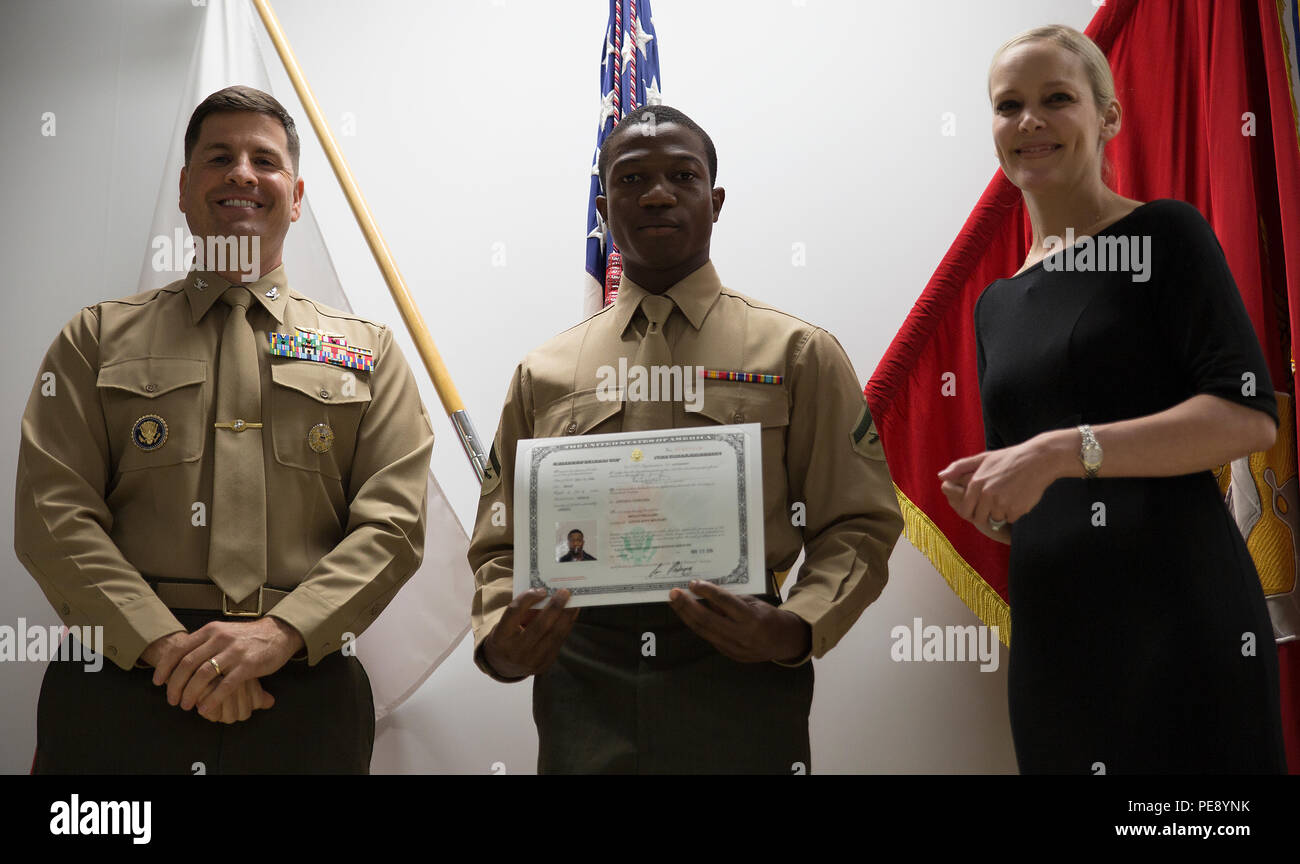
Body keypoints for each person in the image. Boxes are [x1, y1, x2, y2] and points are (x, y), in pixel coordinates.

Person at [467, 105, 904, 773]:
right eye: (633, 178)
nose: (659, 193)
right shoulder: (544, 373)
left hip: (738, 659)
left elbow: (861, 521)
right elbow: (499, 545)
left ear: (715, 200)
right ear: (605, 203)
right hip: (584, 670)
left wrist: (795, 627)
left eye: (682, 175)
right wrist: (502, 640)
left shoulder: (797, 353)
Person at [15, 85, 435, 773]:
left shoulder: (371, 354)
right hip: (123, 680)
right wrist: (163, 645)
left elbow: (392, 527)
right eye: (220, 157)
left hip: (301, 684)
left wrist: (279, 634)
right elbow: (51, 515)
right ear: (184, 190)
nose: (242, 172)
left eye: (264, 161)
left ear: (295, 197)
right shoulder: (95, 340)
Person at [939, 25, 1287, 773]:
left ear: (1108, 116)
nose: (1028, 121)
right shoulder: (995, 304)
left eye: (1056, 99)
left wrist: (1064, 450)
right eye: (1009, 106)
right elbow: (1028, 489)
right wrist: (993, 498)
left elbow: (1248, 417)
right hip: (1057, 639)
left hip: (1180, 618)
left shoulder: (1166, 234)